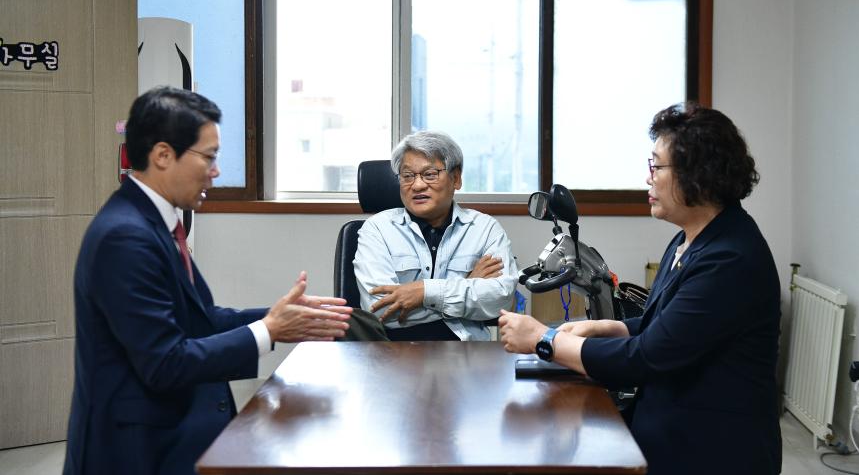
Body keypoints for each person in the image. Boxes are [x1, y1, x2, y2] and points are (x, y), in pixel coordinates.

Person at [63, 87, 352, 475]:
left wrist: (281, 318)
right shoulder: (125, 237)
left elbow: (199, 319)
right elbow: (165, 363)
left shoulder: (156, 222)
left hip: (170, 436)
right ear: (163, 155)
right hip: (136, 450)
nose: (216, 171)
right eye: (209, 157)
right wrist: (268, 331)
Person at [499, 103, 781, 475]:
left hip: (714, 449)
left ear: (698, 174)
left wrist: (543, 339)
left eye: (657, 167)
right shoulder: (688, 240)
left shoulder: (729, 258)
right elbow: (668, 327)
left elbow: (648, 358)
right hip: (670, 431)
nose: (648, 179)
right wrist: (608, 327)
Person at [353, 131, 518, 341]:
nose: (418, 185)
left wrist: (424, 293)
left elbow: (500, 300)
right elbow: (381, 310)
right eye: (407, 176)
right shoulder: (376, 229)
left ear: (456, 178)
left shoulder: (484, 229)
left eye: (430, 174)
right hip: (395, 354)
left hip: (467, 356)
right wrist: (468, 284)